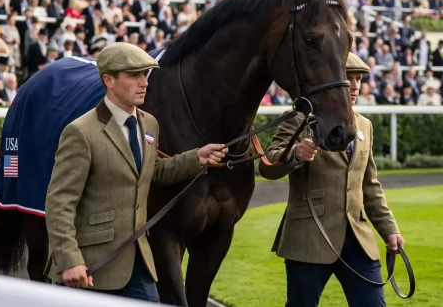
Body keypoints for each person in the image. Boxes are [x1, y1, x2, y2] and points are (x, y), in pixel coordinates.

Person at [44, 42, 229, 302]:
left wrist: (196, 158)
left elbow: (151, 171)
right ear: (108, 80)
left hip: (140, 261)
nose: (144, 82)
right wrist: (70, 259)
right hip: (92, 268)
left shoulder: (148, 123)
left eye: (145, 74)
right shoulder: (80, 132)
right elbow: (59, 202)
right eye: (133, 75)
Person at [261, 52, 404, 307]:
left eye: (359, 79)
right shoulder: (299, 117)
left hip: (358, 240)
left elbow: (370, 186)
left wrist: (389, 229)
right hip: (309, 238)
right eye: (349, 78)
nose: (355, 85)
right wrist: (295, 153)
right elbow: (267, 166)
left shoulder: (365, 125)